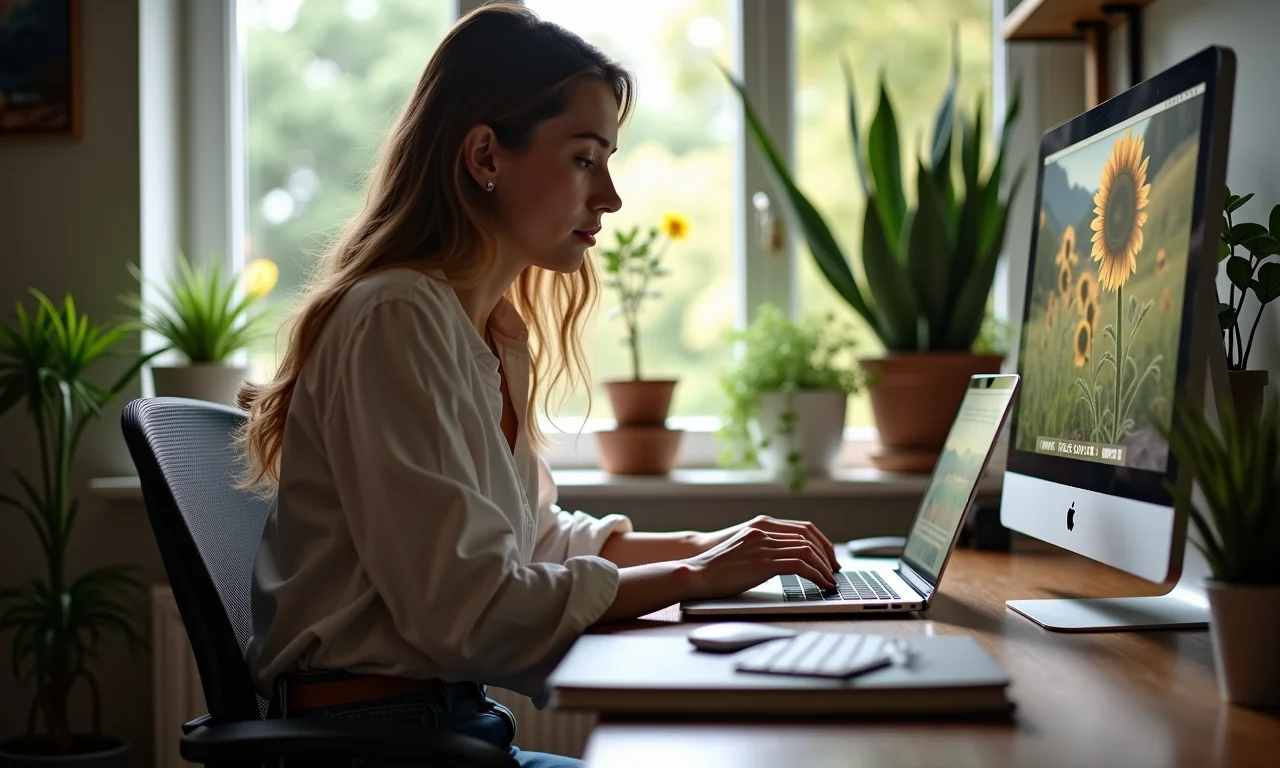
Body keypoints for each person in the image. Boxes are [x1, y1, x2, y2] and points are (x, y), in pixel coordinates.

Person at [234, 4, 840, 766]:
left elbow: (533, 540)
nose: (612, 196)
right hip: (379, 748)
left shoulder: (489, 331)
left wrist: (714, 550)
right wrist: (695, 574)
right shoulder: (395, 317)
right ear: (486, 155)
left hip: (438, 731)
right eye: (586, 158)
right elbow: (469, 607)